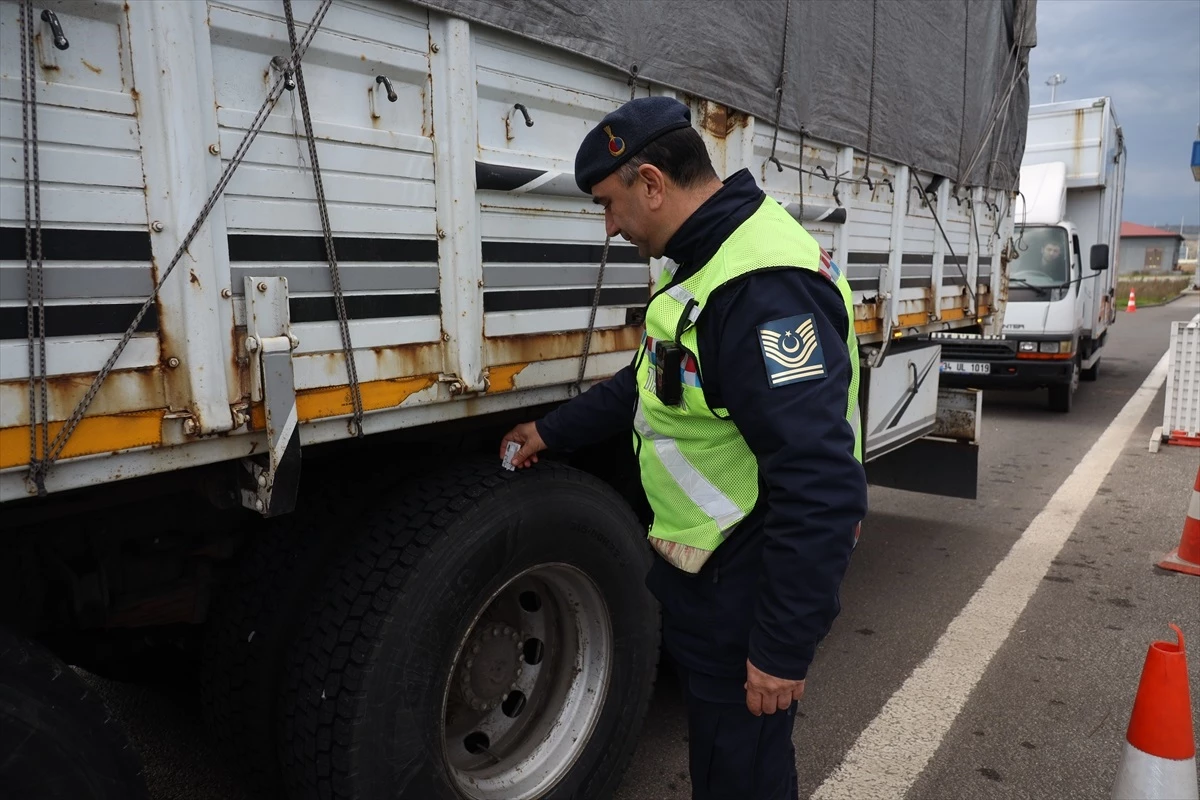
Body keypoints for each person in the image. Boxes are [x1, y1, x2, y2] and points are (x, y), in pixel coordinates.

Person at [499, 96, 867, 800]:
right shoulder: (706, 258)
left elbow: (819, 484)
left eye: (609, 203)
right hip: (713, 577)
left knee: (741, 776)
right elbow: (655, 382)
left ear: (651, 183)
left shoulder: (762, 288)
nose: (609, 227)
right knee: (728, 766)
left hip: (746, 585)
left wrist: (781, 649)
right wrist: (552, 430)